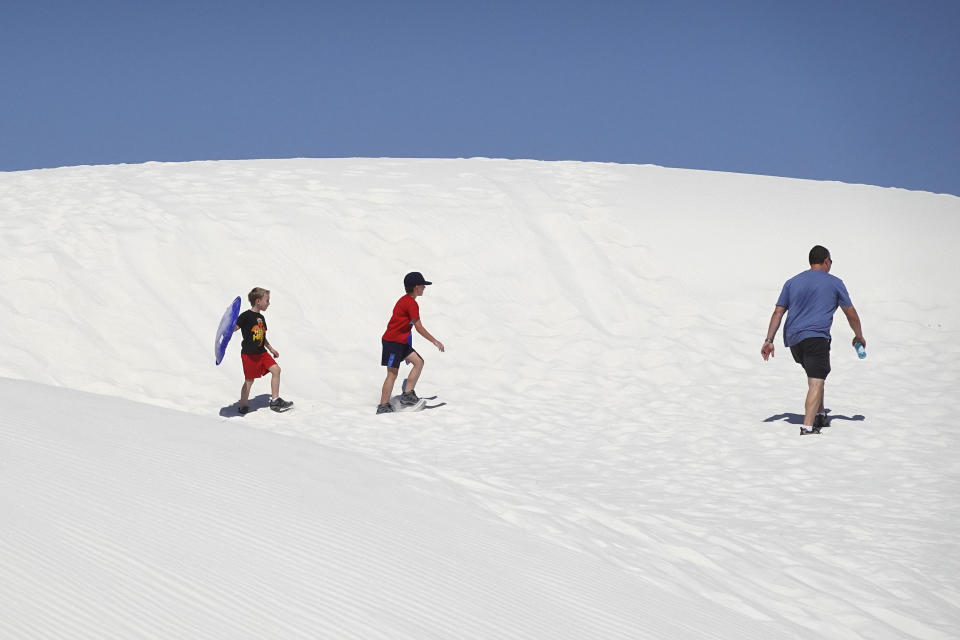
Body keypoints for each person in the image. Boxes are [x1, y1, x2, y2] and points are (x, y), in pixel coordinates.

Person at [761, 246, 865, 435]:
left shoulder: (792, 282)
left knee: (815, 375)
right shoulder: (834, 283)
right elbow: (850, 312)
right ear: (826, 260)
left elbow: (778, 311)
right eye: (831, 261)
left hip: (794, 340)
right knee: (816, 381)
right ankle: (808, 427)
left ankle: (820, 414)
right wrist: (858, 335)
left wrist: (769, 339)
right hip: (816, 337)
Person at [377, 272, 445, 414]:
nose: (424, 288)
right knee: (392, 374)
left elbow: (404, 325)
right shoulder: (410, 304)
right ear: (416, 287)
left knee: (418, 362)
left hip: (401, 342)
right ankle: (383, 406)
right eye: (423, 285)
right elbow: (418, 327)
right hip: (392, 342)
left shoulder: (405, 300)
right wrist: (435, 341)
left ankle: (408, 395)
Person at [234, 287, 293, 414]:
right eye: (267, 300)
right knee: (249, 380)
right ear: (258, 301)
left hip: (262, 353)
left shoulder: (261, 318)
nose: (269, 303)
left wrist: (271, 349)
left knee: (276, 370)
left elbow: (263, 336)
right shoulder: (245, 316)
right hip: (249, 354)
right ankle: (243, 405)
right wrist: (228, 325)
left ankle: (275, 400)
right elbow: (234, 328)